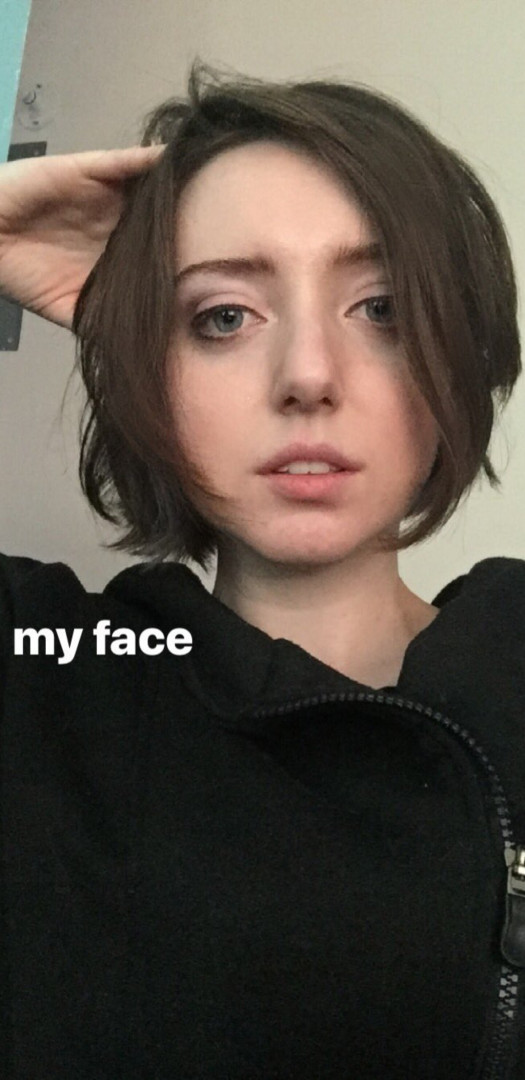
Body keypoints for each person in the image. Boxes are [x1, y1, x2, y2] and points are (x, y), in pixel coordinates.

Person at [0, 57, 524, 1079]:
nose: (308, 377)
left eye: (383, 308)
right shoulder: (45, 677)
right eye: (224, 317)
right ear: (148, 368)